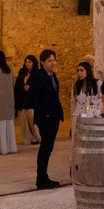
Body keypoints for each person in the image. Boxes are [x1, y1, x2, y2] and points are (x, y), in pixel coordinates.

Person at [29, 49, 64, 189]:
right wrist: (44, 113)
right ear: (42, 62)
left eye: (53, 60)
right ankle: (41, 177)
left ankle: (43, 176)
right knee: (45, 147)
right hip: (45, 117)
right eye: (49, 61)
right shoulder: (37, 76)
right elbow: (34, 98)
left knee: (48, 147)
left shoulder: (52, 75)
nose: (52, 63)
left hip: (54, 116)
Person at [14, 55, 41, 145]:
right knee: (25, 120)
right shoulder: (22, 72)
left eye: (29, 62)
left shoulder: (37, 73)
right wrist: (23, 87)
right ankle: (31, 137)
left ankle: (35, 136)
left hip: (33, 100)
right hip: (24, 99)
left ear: (33, 63)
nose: (27, 63)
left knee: (30, 117)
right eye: (26, 62)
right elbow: (17, 85)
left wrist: (31, 87)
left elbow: (40, 86)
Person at [71, 61, 101, 136]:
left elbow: (102, 99)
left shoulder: (97, 83)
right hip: (78, 115)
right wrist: (72, 116)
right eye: (77, 70)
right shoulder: (76, 86)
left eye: (81, 70)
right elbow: (73, 102)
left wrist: (94, 102)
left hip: (92, 114)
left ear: (87, 71)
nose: (79, 73)